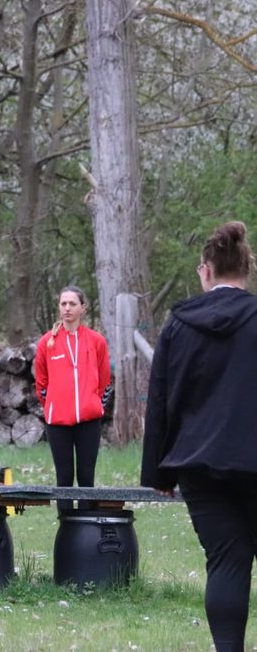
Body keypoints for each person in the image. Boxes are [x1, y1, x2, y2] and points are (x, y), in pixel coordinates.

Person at [141, 221, 257, 652]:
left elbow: (160, 399)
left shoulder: (178, 326)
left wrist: (157, 472)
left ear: (205, 271)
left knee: (226, 562)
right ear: (248, 269)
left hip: (199, 464)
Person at [33, 285, 112, 513]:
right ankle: (66, 525)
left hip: (89, 420)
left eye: (72, 304)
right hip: (58, 423)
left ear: (83, 308)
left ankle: (87, 524)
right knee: (64, 476)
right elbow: (41, 384)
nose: (67, 308)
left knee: (86, 476)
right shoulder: (46, 342)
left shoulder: (96, 341)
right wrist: (53, 406)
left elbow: (105, 380)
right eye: (63, 304)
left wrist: (94, 405)